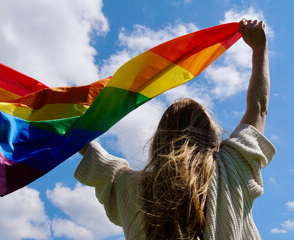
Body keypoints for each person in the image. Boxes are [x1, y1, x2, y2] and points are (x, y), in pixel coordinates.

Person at [74, 19, 276, 240]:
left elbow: (86, 147)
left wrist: (65, 115)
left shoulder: (130, 186)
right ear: (211, 137)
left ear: (160, 139)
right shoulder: (231, 168)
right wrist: (260, 48)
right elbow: (259, 108)